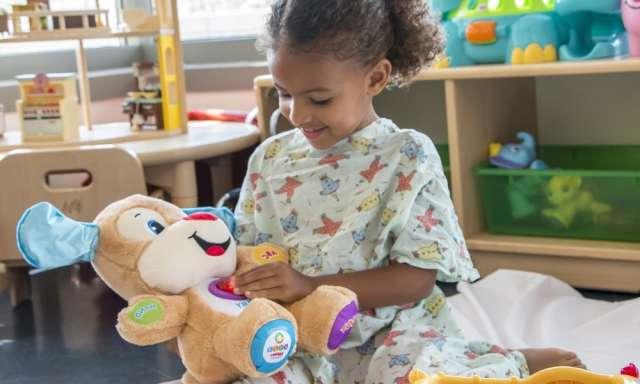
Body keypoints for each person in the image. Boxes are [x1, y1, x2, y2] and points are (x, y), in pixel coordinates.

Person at [231, 1, 584, 382]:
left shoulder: (407, 155)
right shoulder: (270, 158)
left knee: (415, 376)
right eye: (283, 94)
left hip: (389, 328)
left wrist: (310, 286)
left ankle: (500, 361)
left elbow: (416, 279)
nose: (297, 114)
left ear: (376, 77)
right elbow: (247, 255)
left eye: (319, 100)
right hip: (297, 331)